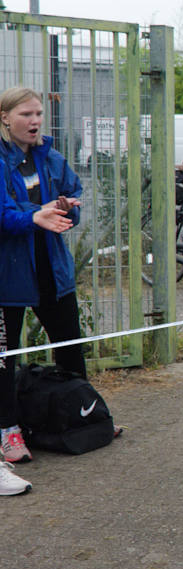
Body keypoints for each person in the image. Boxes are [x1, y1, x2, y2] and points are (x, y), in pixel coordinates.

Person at [0, 86, 82, 478]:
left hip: (53, 270)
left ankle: (83, 411)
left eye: (37, 114)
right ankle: (8, 430)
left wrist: (67, 209)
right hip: (10, 276)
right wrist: (36, 214)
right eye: (25, 115)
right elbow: (4, 214)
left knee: (70, 343)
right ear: (5, 118)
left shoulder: (52, 158)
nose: (34, 122)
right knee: (5, 356)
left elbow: (73, 198)